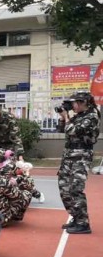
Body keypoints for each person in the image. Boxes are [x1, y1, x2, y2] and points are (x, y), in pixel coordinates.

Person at [57, 91, 100, 234]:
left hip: (81, 156)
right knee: (64, 187)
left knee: (75, 188)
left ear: (83, 103)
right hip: (69, 155)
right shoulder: (78, 116)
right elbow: (62, 130)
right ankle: (76, 217)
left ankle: (83, 223)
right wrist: (63, 118)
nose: (72, 106)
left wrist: (67, 117)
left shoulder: (92, 116)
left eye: (74, 103)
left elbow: (72, 130)